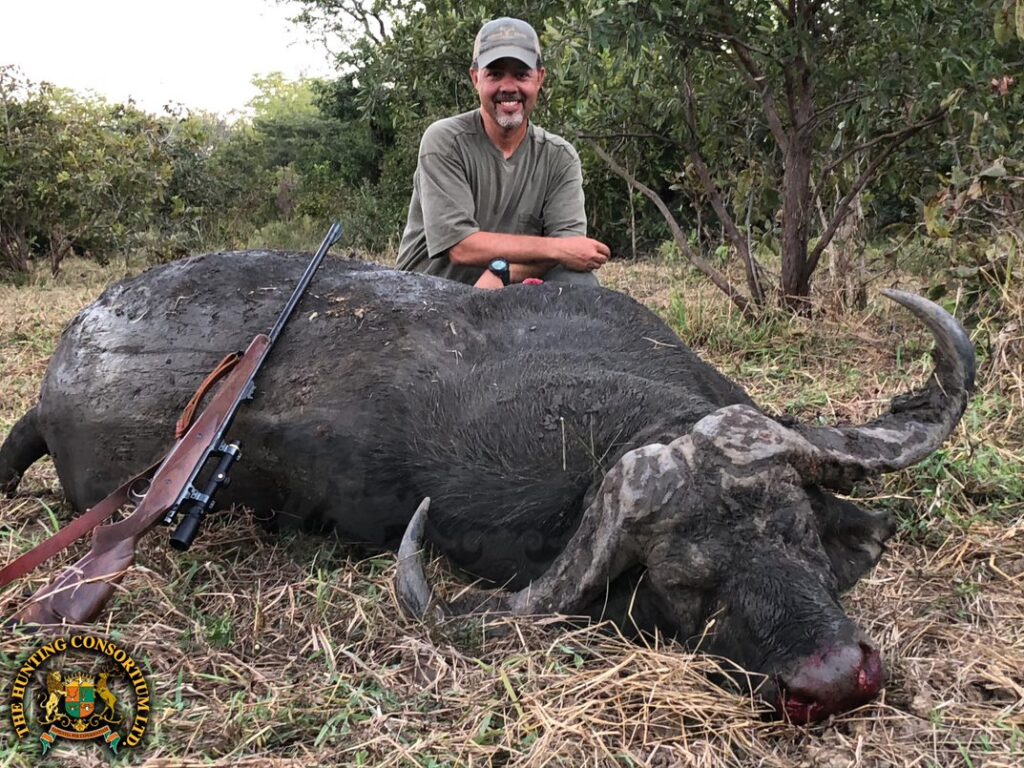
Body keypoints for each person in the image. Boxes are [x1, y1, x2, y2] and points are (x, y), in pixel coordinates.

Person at [395, 17, 610, 290]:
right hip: (430, 295)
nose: (508, 87)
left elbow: (569, 255)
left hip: (504, 298)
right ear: (475, 78)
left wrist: (503, 273)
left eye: (521, 74)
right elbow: (461, 248)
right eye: (495, 74)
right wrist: (556, 249)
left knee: (578, 282)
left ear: (540, 78)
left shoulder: (559, 157)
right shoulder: (445, 141)